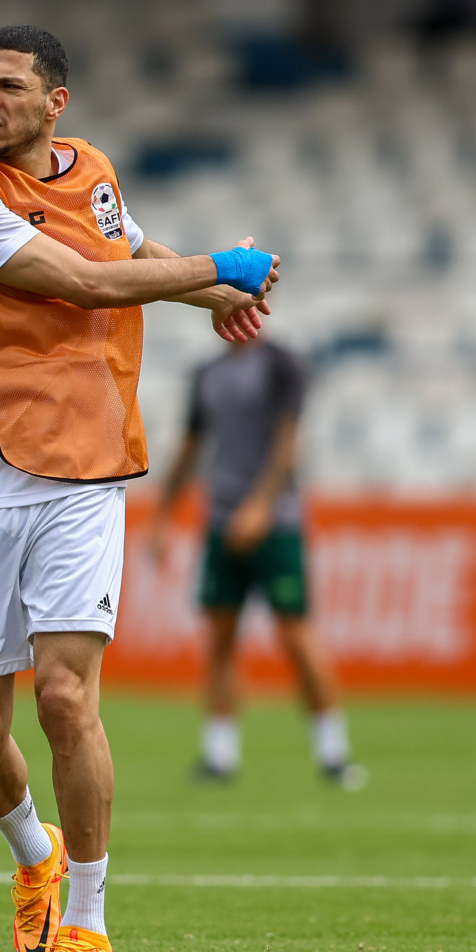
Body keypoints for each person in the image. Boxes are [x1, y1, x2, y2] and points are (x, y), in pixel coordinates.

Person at [0, 25, 278, 952]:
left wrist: (208, 296)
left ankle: (90, 926)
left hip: (85, 469)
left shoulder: (89, 166)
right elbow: (85, 283)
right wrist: (221, 267)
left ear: (54, 103)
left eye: (6, 86)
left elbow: (128, 245)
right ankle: (34, 853)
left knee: (65, 696)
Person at [147, 336, 363, 788]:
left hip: (276, 521)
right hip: (223, 520)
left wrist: (261, 506)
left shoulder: (282, 363)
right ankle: (219, 754)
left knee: (295, 633)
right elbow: (191, 446)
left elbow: (289, 441)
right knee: (221, 636)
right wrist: (164, 512)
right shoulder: (206, 373)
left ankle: (333, 751)